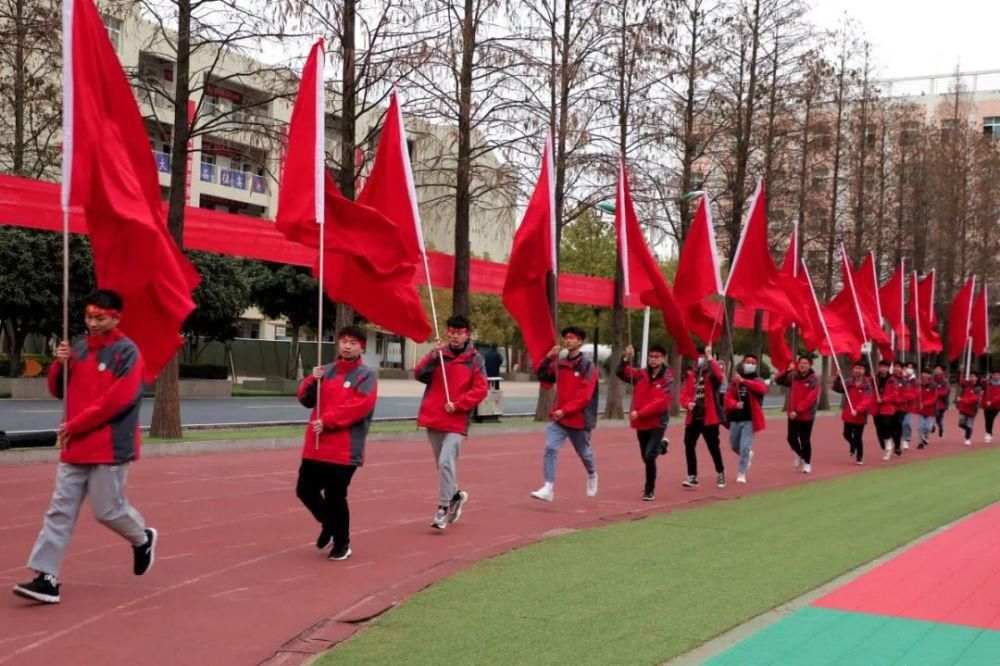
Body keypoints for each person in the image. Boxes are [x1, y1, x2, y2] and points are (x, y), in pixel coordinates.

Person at [13, 290, 155, 605]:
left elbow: (117, 402)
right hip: (75, 445)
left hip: (109, 447)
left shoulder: (128, 353)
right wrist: (58, 365)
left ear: (116, 317)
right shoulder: (77, 350)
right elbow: (56, 390)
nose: (92, 322)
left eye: (99, 316)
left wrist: (76, 425)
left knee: (107, 511)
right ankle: (45, 577)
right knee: (59, 511)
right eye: (89, 315)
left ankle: (142, 538)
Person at [294, 326, 377, 561]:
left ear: (362, 346)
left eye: (353, 342)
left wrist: (328, 421)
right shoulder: (326, 371)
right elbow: (305, 399)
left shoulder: (366, 376)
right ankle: (329, 524)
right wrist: (312, 380)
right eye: (343, 341)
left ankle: (342, 543)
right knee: (304, 490)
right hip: (316, 445)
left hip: (344, 449)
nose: (347, 345)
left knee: (335, 496)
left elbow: (359, 406)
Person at [415, 315, 488, 529]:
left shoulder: (475, 359)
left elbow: (480, 389)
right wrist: (432, 355)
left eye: (460, 332)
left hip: (457, 419)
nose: (455, 336)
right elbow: (419, 374)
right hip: (434, 416)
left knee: (447, 462)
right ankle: (456, 495)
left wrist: (459, 404)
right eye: (452, 332)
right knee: (442, 465)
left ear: (467, 334)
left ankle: (442, 508)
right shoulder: (439, 354)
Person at [530, 326, 599, 502]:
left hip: (579, 419)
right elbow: (543, 377)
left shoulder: (588, 366)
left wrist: (565, 410)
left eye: (572, 338)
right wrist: (547, 358)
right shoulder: (560, 363)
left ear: (580, 341)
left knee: (584, 453)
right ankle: (548, 487)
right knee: (551, 448)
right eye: (566, 338)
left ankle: (592, 474)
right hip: (559, 419)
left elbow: (584, 397)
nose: (568, 341)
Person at [617, 343, 672, 500]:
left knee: (649, 457)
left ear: (663, 358)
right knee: (646, 457)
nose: (653, 360)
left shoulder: (668, 378)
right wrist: (626, 357)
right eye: (651, 356)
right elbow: (622, 373)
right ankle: (662, 446)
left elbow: (660, 402)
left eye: (657, 357)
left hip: (657, 422)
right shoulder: (641, 374)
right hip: (641, 423)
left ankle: (649, 490)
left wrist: (639, 413)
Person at [679, 345, 726, 489]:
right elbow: (684, 394)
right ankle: (692, 476)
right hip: (693, 417)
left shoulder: (711, 376)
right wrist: (687, 404)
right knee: (689, 444)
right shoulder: (691, 375)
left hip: (709, 418)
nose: (700, 359)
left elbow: (719, 376)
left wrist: (711, 357)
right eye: (698, 357)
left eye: (702, 357)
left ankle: (720, 472)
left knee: (713, 447)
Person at [723, 354, 767, 483]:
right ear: (743, 363)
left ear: (756, 366)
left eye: (753, 363)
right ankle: (748, 455)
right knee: (734, 445)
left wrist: (744, 381)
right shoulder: (735, 381)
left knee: (744, 446)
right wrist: (735, 404)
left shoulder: (757, 380)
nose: (750, 364)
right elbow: (727, 397)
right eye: (748, 362)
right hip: (735, 418)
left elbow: (762, 389)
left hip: (749, 419)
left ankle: (741, 472)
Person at [774, 355, 820, 474]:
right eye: (800, 363)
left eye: (805, 363)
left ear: (810, 365)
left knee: (805, 439)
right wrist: (788, 370)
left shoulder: (814, 379)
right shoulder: (794, 376)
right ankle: (801, 455)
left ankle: (807, 464)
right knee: (791, 438)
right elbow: (778, 380)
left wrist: (798, 411)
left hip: (806, 415)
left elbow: (811, 398)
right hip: (792, 415)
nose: (802, 365)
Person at [832, 361, 873, 465]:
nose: (858, 370)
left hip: (860, 415)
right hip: (848, 413)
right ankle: (852, 445)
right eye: (856, 368)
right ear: (853, 370)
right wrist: (838, 377)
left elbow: (867, 399)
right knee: (846, 434)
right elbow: (837, 388)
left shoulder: (867, 384)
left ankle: (859, 457)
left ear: (864, 371)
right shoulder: (848, 382)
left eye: (860, 368)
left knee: (858, 436)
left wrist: (858, 409)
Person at [872, 360, 900, 461]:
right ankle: (885, 445)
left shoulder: (892, 380)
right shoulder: (874, 379)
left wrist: (883, 399)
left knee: (886, 425)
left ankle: (889, 447)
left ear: (888, 368)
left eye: (885, 367)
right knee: (879, 429)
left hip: (887, 407)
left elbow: (895, 394)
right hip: (876, 408)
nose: (882, 369)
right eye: (881, 367)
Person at [957, 371, 984, 446]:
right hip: (963, 408)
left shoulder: (978, 388)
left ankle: (967, 438)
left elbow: (975, 399)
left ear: (977, 378)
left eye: (973, 376)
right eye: (971, 376)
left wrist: (963, 400)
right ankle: (969, 430)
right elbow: (960, 380)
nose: (971, 378)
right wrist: (961, 371)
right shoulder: (966, 385)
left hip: (972, 409)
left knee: (969, 424)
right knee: (961, 424)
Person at [889, 362, 910, 456]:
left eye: (898, 367)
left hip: (901, 407)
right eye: (895, 367)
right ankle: (896, 443)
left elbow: (907, 393)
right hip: (890, 406)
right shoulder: (889, 379)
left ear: (902, 369)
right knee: (892, 427)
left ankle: (897, 445)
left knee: (898, 424)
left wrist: (898, 399)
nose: (896, 368)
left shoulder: (905, 381)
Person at [915, 369, 939, 450]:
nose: (924, 375)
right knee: (920, 427)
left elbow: (934, 398)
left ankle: (926, 434)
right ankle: (921, 443)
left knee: (928, 428)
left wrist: (924, 404)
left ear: (929, 375)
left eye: (927, 373)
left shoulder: (933, 385)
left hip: (930, 410)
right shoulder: (918, 384)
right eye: (923, 373)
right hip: (921, 410)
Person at [899, 362, 920, 450]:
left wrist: (906, 396)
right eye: (907, 367)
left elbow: (916, 394)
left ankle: (905, 440)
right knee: (898, 424)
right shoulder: (900, 379)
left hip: (908, 407)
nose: (909, 369)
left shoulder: (915, 382)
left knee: (907, 423)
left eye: (911, 367)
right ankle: (897, 438)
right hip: (899, 405)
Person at [932, 364, 950, 437]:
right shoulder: (932, 380)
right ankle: (931, 426)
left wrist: (935, 394)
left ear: (942, 371)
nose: (937, 370)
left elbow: (945, 392)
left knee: (938, 419)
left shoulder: (945, 381)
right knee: (929, 416)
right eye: (936, 369)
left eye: (939, 369)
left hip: (941, 404)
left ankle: (941, 427)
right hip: (932, 402)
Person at [983, 370, 1000, 445]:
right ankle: (988, 433)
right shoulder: (988, 383)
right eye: (994, 375)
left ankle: (988, 433)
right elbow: (981, 385)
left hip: (996, 405)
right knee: (987, 419)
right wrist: (985, 381)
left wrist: (992, 402)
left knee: (991, 418)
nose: (996, 376)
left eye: (997, 375)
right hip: (987, 404)